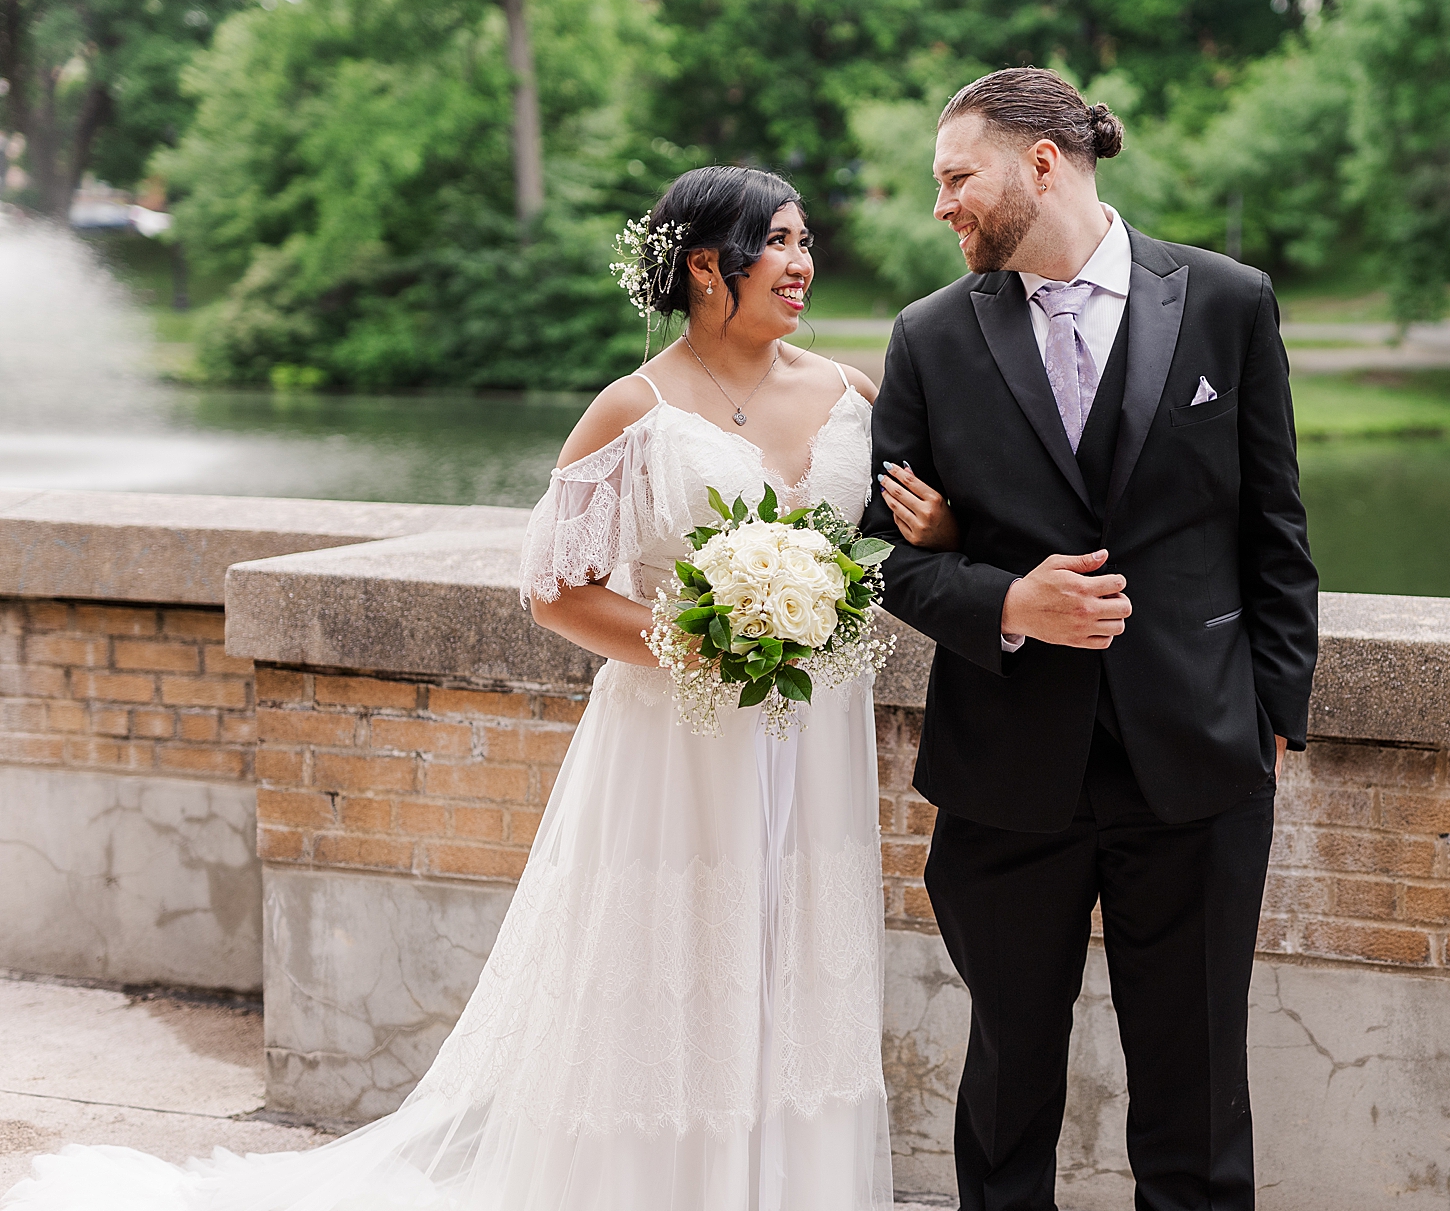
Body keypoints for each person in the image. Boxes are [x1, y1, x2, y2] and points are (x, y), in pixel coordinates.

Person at [2, 166, 959, 1211]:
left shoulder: (849, 396)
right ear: (703, 263)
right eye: (780, 242)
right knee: (674, 960)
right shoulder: (632, 409)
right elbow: (556, 590)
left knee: (799, 961)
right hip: (676, 736)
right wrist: (701, 642)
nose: (804, 263)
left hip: (811, 731)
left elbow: (917, 531)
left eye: (804, 241)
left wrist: (933, 538)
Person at [864, 69, 1319, 1211]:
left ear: (1042, 161)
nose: (940, 207)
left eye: (955, 178)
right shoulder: (926, 337)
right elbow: (888, 559)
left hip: (1199, 762)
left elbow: (1274, 531)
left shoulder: (1224, 299)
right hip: (1006, 774)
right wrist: (1010, 604)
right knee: (1008, 1079)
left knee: (1196, 1081)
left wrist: (1268, 718)